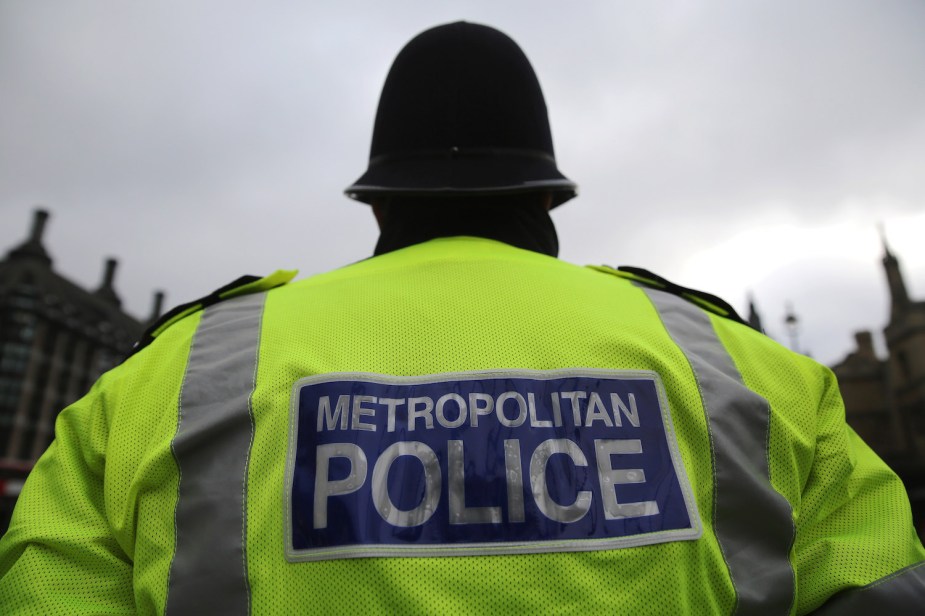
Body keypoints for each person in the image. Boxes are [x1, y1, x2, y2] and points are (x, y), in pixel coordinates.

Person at [1, 21, 923, 615]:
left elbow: (47, 585)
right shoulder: (746, 369)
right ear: (546, 199)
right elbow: (882, 587)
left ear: (376, 204)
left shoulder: (179, 371)